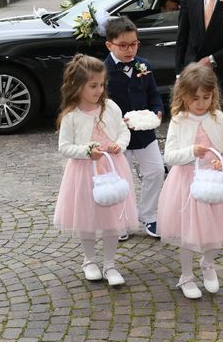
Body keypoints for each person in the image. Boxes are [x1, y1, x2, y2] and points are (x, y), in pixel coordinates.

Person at [157, 64, 223, 299]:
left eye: (206, 97)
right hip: (187, 183)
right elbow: (170, 155)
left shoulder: (218, 118)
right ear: (183, 95)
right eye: (195, 98)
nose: (201, 103)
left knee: (217, 229)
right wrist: (192, 151)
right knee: (188, 232)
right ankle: (186, 275)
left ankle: (208, 263)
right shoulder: (179, 121)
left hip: (216, 181)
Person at [53, 54, 139, 286]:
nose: (99, 90)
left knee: (112, 220)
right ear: (76, 86)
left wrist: (119, 145)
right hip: (84, 173)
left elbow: (123, 131)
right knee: (87, 217)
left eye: (102, 85)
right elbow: (64, 147)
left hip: (112, 167)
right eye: (93, 86)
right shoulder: (72, 115)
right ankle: (89, 260)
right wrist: (85, 151)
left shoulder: (110, 107)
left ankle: (110, 263)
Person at [103, 17, 165, 241]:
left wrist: (157, 111)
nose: (130, 49)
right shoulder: (103, 71)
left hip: (145, 132)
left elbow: (153, 95)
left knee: (156, 171)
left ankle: (148, 213)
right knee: (121, 179)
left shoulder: (144, 65)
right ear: (110, 45)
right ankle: (121, 218)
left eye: (134, 44)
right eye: (124, 45)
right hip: (118, 137)